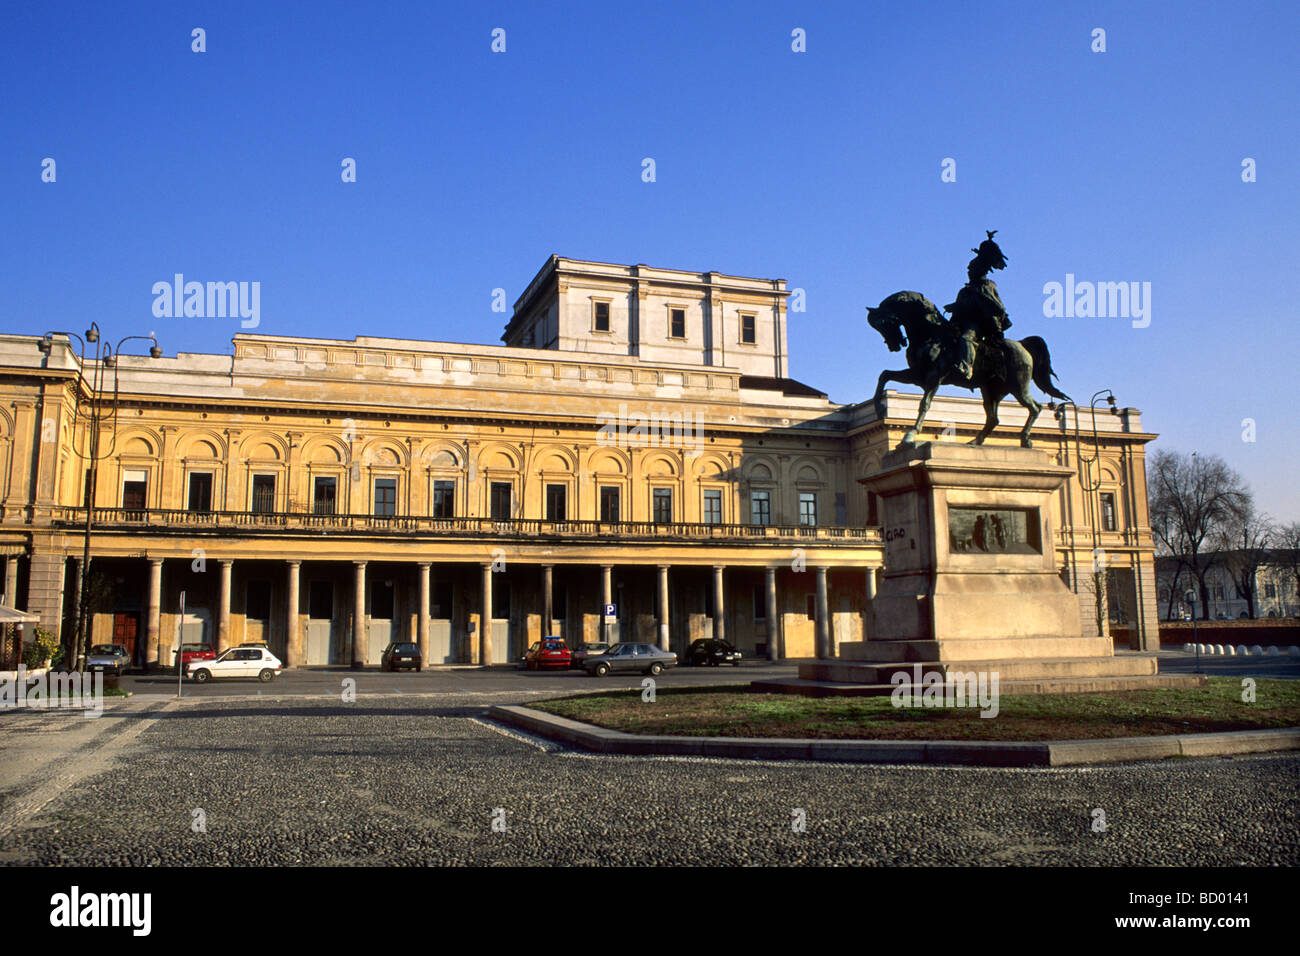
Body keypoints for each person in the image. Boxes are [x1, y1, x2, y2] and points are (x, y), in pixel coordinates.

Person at [945, 231, 1013, 380]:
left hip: (978, 325)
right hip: (961, 323)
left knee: (965, 339)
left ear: (978, 271)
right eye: (968, 270)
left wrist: (962, 305)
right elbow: (961, 308)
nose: (969, 272)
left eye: (971, 269)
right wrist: (954, 307)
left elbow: (996, 308)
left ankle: (966, 367)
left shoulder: (984, 288)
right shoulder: (966, 290)